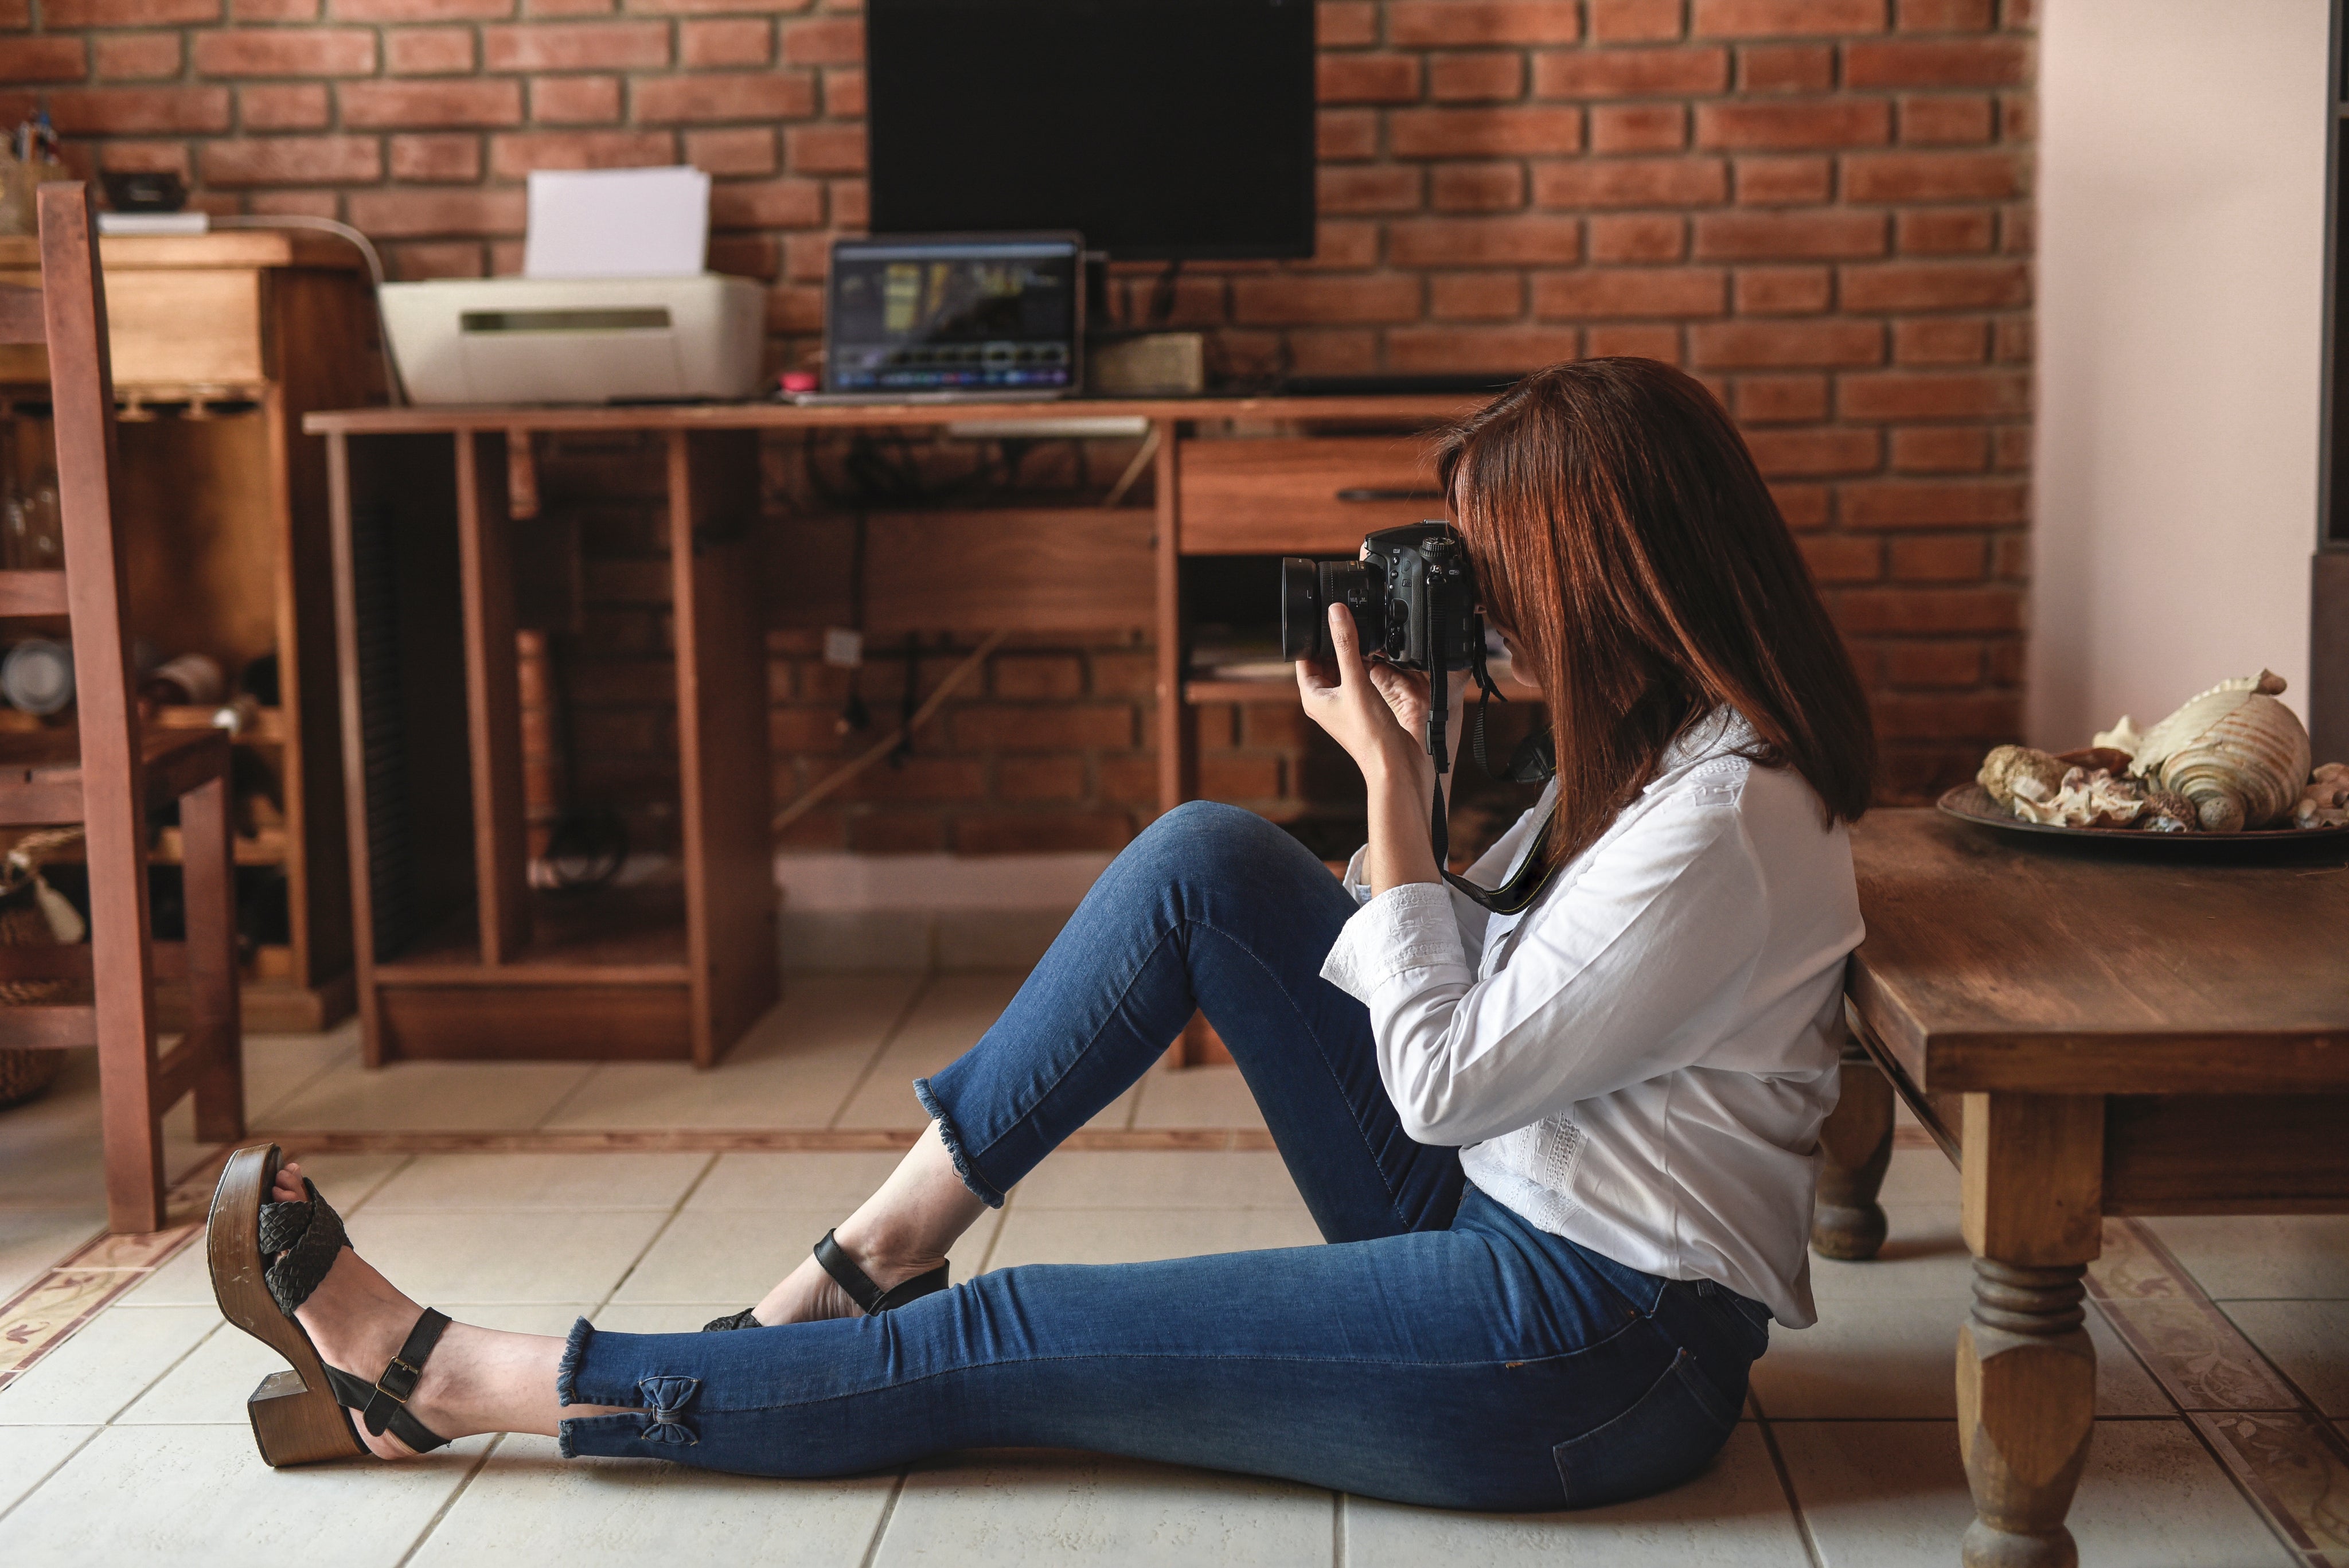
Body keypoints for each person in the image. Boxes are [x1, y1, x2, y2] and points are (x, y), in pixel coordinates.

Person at [206, 357, 1873, 1512]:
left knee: (1014, 1339)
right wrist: (1422, 792)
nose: (1491, 629)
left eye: (1506, 588)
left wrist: (1387, 786)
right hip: (1515, 1202)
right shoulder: (1670, 757)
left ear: (1608, 584)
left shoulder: (1725, 822)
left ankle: (454, 1380)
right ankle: (857, 1263)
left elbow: (1435, 1076)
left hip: (1588, 1342)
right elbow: (1469, 988)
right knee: (1210, 857)